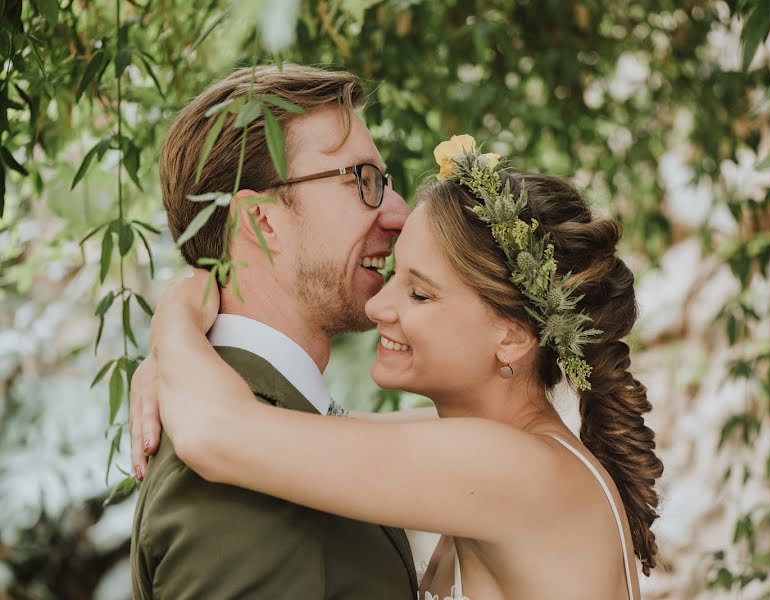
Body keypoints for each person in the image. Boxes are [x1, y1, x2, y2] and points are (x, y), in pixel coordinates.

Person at [133, 135, 664, 599]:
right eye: (393, 278)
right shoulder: (490, 444)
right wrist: (179, 364)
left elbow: (214, 435)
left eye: (420, 294)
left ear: (512, 337)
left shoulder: (512, 468)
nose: (378, 307)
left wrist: (176, 318)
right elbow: (304, 423)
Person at [129, 64, 419, 599]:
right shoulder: (229, 488)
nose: (398, 214)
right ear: (261, 223)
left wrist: (172, 335)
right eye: (362, 181)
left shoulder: (267, 426)